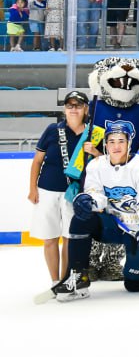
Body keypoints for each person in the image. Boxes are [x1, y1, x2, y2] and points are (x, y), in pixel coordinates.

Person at [56, 119, 139, 301]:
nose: (116, 146)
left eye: (121, 141)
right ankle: (78, 276)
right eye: (112, 141)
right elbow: (97, 196)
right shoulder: (96, 164)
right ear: (106, 144)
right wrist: (87, 200)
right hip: (112, 226)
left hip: (136, 230)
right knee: (81, 218)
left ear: (129, 143)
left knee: (134, 284)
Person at [30, 90, 90, 285]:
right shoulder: (52, 130)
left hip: (74, 193)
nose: (73, 109)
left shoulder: (92, 133)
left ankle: (65, 280)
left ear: (86, 109)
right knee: (49, 238)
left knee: (70, 239)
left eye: (78, 105)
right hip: (47, 190)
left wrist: (95, 151)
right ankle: (55, 280)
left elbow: (102, 163)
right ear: (65, 109)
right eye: (70, 105)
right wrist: (32, 188)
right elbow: (37, 161)